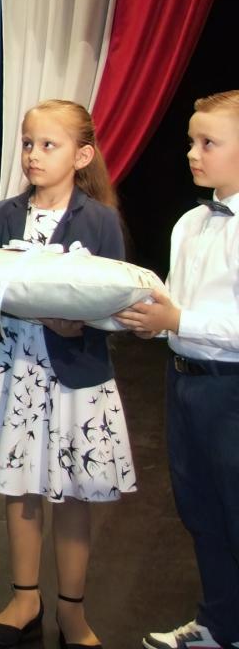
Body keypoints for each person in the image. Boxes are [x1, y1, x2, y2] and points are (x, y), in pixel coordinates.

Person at [0, 99, 133, 649]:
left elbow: (115, 303)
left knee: (73, 493)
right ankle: (25, 598)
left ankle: (72, 611)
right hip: (15, 372)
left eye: (48, 145)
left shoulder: (98, 220)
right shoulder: (5, 215)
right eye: (28, 143)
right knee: (21, 487)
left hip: (74, 378)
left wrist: (79, 324)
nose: (33, 154)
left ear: (82, 156)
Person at [118, 90, 239, 649]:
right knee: (200, 509)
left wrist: (179, 319)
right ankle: (219, 624)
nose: (193, 153)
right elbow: (176, 300)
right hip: (185, 381)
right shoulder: (190, 223)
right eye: (192, 141)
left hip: (231, 389)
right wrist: (151, 319)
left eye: (208, 142)